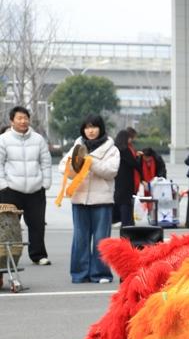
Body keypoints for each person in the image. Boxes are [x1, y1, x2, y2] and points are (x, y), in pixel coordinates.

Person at [61, 115, 120, 283]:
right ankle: (79, 274)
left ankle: (101, 273)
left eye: (94, 127)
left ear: (100, 128)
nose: (90, 131)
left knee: (102, 239)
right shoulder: (77, 146)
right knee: (80, 239)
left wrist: (90, 162)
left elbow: (111, 171)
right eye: (87, 127)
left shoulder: (111, 149)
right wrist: (77, 165)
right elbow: (63, 168)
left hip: (102, 201)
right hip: (79, 199)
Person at [0, 105, 53, 265]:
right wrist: (3, 185)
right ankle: (6, 256)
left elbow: (46, 161)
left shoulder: (38, 139)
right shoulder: (3, 139)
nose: (23, 121)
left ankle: (38, 255)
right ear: (12, 121)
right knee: (8, 226)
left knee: (37, 224)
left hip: (35, 189)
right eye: (19, 118)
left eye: (25, 118)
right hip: (11, 189)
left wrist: (45, 183)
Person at [113, 129, 142, 228]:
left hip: (117, 178)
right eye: (129, 138)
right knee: (126, 201)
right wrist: (138, 159)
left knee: (120, 200)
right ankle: (126, 222)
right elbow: (133, 163)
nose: (131, 140)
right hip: (126, 179)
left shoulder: (115, 149)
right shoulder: (125, 150)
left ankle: (122, 220)